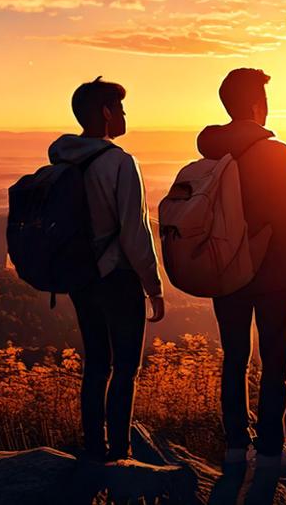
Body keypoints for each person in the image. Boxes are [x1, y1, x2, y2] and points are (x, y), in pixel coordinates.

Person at [197, 68, 286, 474]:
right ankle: (269, 450)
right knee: (274, 363)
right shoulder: (275, 152)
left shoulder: (212, 150)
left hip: (225, 269)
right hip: (275, 274)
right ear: (254, 105)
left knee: (234, 358)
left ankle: (234, 446)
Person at [47, 77, 166, 464]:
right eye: (121, 108)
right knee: (126, 366)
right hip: (118, 278)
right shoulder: (119, 162)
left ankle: (93, 448)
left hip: (80, 277)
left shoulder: (65, 160)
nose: (125, 115)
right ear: (105, 113)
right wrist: (153, 285)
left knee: (96, 363)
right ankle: (120, 453)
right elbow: (135, 231)